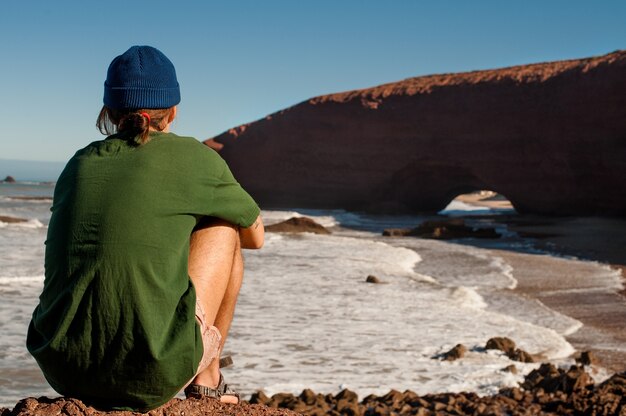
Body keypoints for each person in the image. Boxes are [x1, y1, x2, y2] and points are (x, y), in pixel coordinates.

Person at [26, 45, 264, 412]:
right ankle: (207, 381)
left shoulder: (78, 164)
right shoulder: (196, 158)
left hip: (62, 366)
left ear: (109, 110)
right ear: (172, 111)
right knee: (225, 225)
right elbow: (256, 237)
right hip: (153, 374)